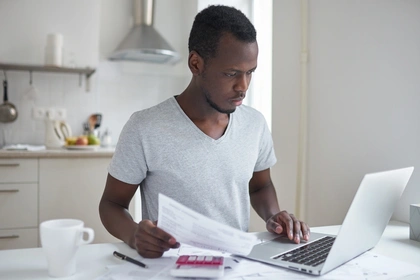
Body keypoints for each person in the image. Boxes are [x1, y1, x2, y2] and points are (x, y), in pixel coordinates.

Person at [99, 4, 310, 259]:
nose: (243, 86)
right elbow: (112, 204)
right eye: (231, 73)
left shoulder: (255, 125)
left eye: (250, 73)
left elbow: (260, 186)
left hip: (234, 266)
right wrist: (133, 235)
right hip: (169, 267)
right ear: (196, 63)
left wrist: (274, 216)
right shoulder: (145, 127)